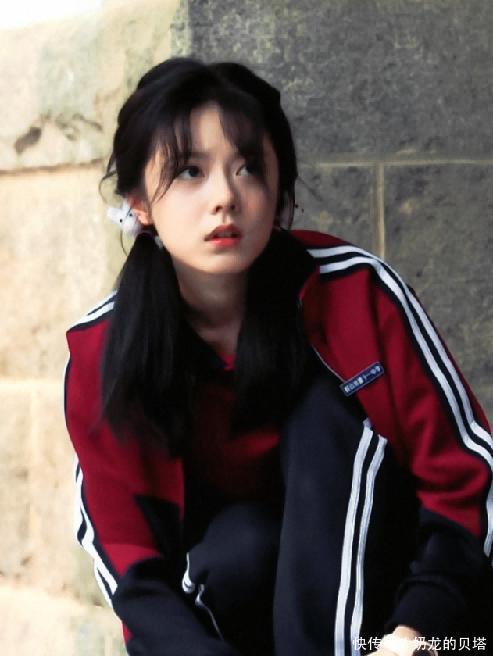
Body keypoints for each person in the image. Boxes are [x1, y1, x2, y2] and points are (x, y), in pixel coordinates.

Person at [64, 57, 493, 656]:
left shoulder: (357, 293)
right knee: (240, 547)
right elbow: (133, 566)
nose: (225, 198)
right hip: (234, 618)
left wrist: (416, 630)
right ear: (138, 202)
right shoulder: (105, 351)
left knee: (322, 414)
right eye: (189, 172)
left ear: (278, 190)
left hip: (406, 620)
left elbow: (466, 476)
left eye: (248, 169)